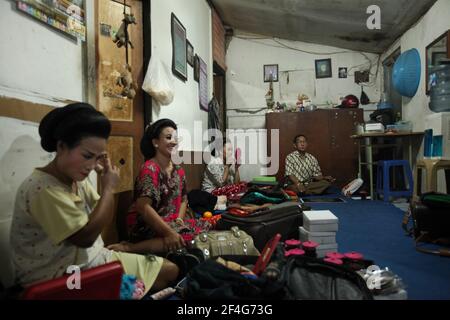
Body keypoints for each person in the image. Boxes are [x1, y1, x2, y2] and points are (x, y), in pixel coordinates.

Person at [9, 103, 178, 295]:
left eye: (98, 158)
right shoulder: (43, 188)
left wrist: (106, 187)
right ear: (61, 146)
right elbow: (86, 237)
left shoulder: (75, 179)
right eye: (87, 156)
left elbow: (102, 211)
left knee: (170, 271)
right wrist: (108, 187)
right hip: (61, 276)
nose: (91, 166)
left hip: (94, 259)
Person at [108, 119, 208, 255]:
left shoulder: (179, 170)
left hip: (171, 222)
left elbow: (184, 199)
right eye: (168, 137)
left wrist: (179, 219)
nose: (174, 141)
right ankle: (129, 248)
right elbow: (143, 207)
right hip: (147, 223)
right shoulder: (150, 168)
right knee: (185, 239)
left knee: (204, 227)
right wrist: (169, 233)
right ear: (155, 142)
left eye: (175, 138)